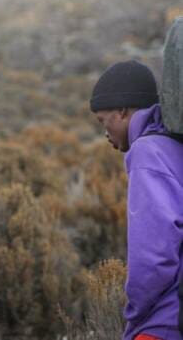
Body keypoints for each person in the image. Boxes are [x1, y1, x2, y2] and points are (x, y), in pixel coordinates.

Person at [90, 60, 183, 340]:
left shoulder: (147, 152)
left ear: (122, 111)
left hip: (165, 322)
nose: (105, 134)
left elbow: (154, 254)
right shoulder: (173, 143)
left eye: (103, 121)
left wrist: (136, 314)